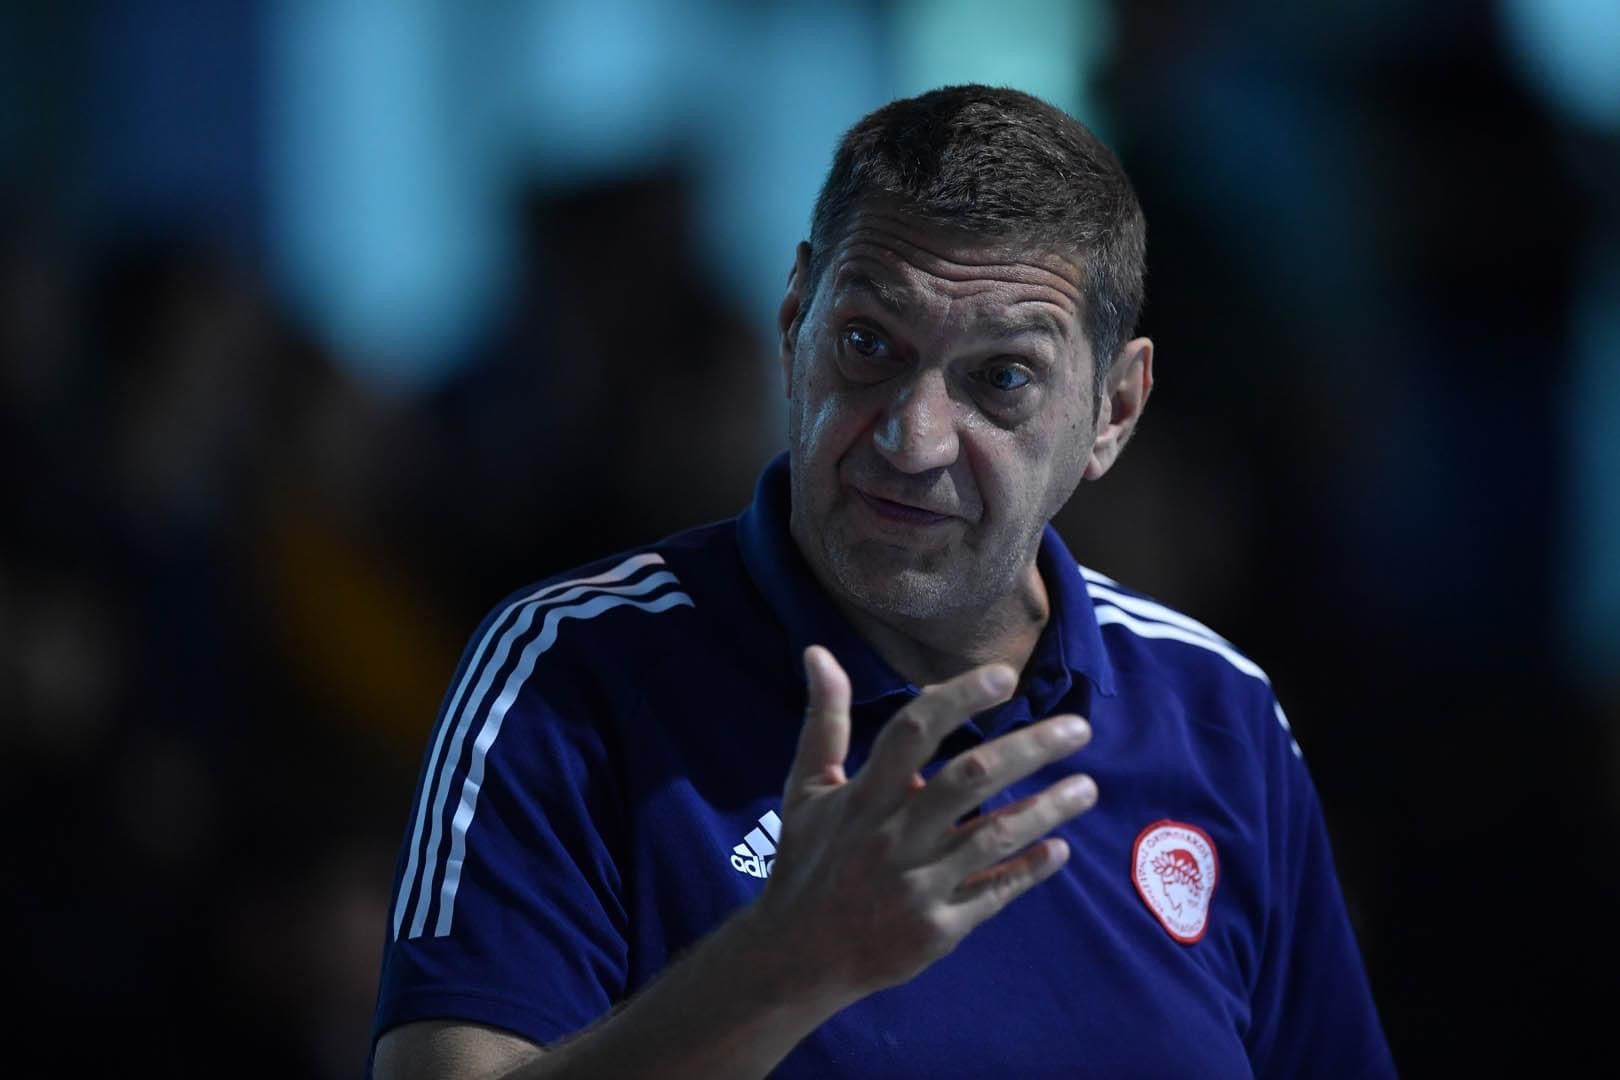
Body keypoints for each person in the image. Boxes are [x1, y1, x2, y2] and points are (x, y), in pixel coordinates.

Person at [368, 84, 1395, 1079]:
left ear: (1114, 412)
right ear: (793, 325)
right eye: (868, 346)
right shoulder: (571, 673)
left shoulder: (1217, 712)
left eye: (1002, 377)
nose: (913, 437)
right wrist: (779, 971)